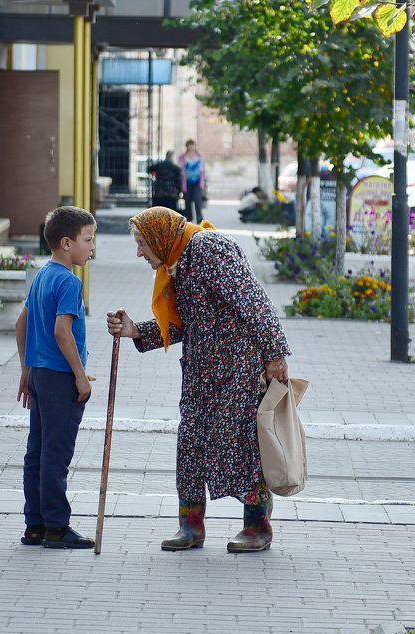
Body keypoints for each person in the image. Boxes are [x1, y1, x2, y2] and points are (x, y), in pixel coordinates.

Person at [106, 207, 290, 554]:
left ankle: (257, 525)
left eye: (143, 243)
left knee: (240, 444)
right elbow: (185, 324)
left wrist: (275, 352)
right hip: (202, 372)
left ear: (160, 237)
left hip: (239, 368)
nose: (139, 252)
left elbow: (254, 302)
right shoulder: (176, 262)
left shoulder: (208, 247)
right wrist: (135, 330)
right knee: (190, 444)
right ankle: (190, 525)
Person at [14, 206, 97, 549]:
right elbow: (63, 331)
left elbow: (22, 324)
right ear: (67, 242)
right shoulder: (69, 281)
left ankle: (35, 524)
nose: (92, 248)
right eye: (88, 240)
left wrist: (25, 369)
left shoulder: (42, 275)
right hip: (60, 377)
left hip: (38, 374)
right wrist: (81, 376)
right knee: (56, 454)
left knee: (37, 451)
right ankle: (56, 527)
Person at [178, 139, 207, 224]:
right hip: (186, 182)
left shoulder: (200, 156)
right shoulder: (183, 157)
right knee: (187, 200)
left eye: (192, 145)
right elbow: (180, 168)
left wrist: (205, 181)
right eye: (189, 145)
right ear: (187, 146)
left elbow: (203, 169)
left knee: (198, 200)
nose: (191, 147)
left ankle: (199, 218)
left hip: (198, 182)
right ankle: (188, 218)